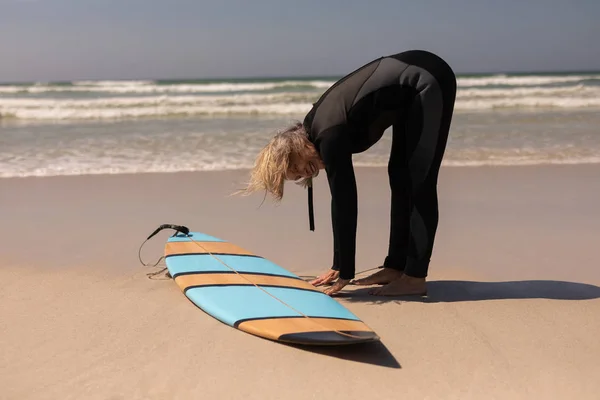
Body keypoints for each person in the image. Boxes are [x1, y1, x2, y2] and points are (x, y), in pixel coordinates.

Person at [239, 49, 457, 296]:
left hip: (427, 79)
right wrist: (338, 264)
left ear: (291, 150)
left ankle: (415, 277)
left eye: (294, 168)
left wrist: (346, 274)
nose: (303, 174)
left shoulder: (328, 136)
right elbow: (340, 202)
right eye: (297, 177)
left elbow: (344, 201)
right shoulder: (315, 130)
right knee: (399, 176)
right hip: (412, 92)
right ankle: (396, 267)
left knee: (419, 180)